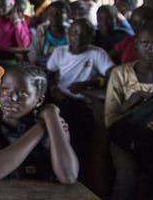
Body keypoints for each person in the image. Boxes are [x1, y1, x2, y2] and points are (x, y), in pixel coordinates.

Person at [0, 65, 78, 184]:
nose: (11, 98)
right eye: (5, 89)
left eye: (23, 93)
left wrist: (51, 113)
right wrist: (41, 127)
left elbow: (68, 176)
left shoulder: (53, 121)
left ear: (39, 100)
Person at [104, 19, 153, 200]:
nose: (152, 49)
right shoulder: (120, 74)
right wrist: (131, 102)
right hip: (126, 135)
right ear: (136, 44)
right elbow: (110, 120)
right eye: (146, 44)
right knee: (127, 179)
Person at [46, 19, 113, 164]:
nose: (79, 37)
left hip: (83, 101)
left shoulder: (97, 53)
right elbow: (49, 73)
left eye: (84, 34)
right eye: (74, 32)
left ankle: (77, 165)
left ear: (91, 36)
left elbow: (112, 74)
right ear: (68, 35)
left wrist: (87, 84)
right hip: (61, 98)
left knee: (80, 134)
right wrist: (54, 88)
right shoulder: (60, 52)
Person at [28, 1, 69, 68]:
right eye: (51, 13)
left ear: (67, 15)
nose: (55, 16)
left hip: (65, 68)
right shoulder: (41, 30)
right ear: (47, 15)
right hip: (43, 68)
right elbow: (33, 52)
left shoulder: (71, 31)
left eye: (59, 13)